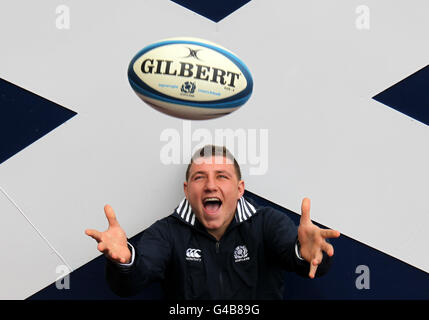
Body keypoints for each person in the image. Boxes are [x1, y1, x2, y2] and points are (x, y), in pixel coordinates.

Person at [85, 145, 340, 299]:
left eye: (222, 176)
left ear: (240, 188)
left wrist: (309, 253)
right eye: (199, 177)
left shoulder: (267, 223)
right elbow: (129, 284)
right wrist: (125, 262)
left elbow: (306, 261)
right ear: (186, 189)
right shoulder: (166, 233)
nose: (210, 185)